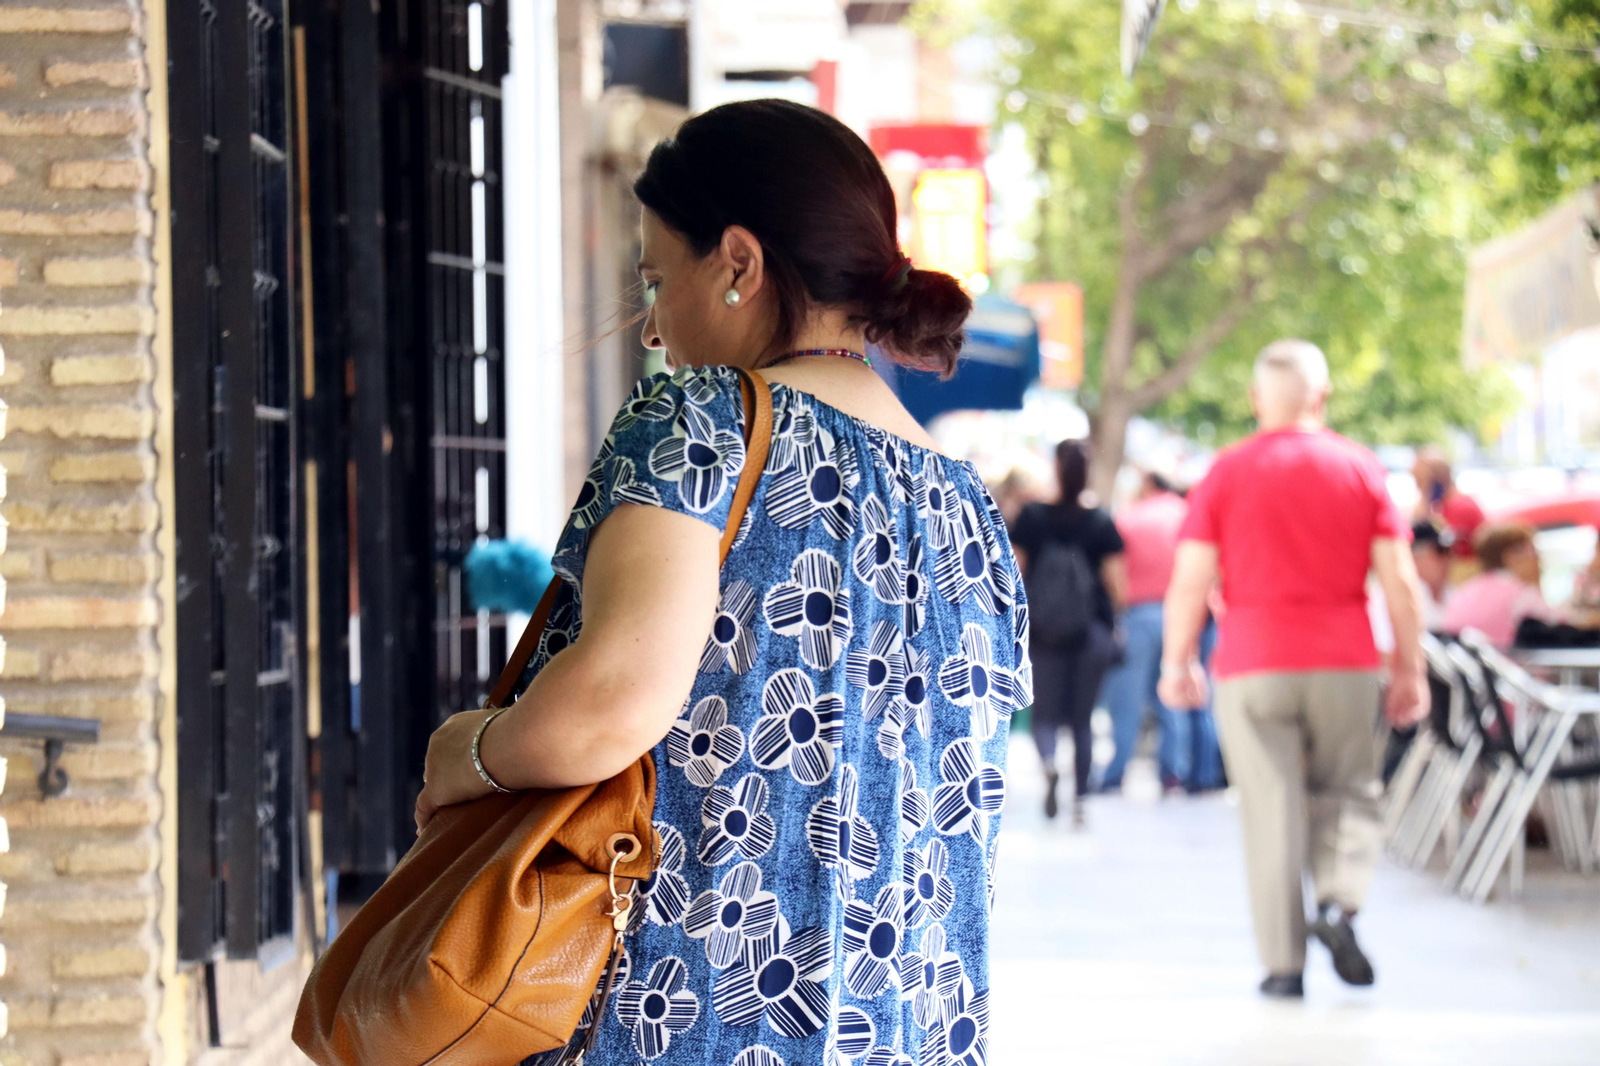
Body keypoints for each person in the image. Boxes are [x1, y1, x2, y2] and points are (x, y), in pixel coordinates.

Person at [412, 100, 1028, 1065]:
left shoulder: (705, 421)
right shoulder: (969, 508)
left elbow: (610, 700)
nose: (653, 325)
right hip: (906, 1030)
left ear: (738, 262)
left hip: (686, 1015)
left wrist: (469, 753)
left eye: (658, 279)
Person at [1159, 339, 1429, 1000]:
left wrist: (1178, 661)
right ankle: (1339, 905)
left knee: (1269, 809)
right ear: (1323, 396)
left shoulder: (1224, 472)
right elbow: (1399, 581)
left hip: (1252, 660)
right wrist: (1411, 670)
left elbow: (1191, 579)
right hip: (1344, 656)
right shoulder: (1361, 468)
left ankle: (1283, 967)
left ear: (1256, 400)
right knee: (1349, 790)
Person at [1011, 441, 1125, 825]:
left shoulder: (1031, 517)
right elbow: (1117, 585)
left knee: (1044, 714)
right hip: (1090, 630)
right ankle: (1079, 800)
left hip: (1043, 630)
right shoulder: (1101, 521)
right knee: (1081, 719)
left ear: (1056, 467)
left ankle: (1047, 763)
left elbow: (1014, 571)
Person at [1099, 469, 1204, 792]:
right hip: (1180, 614)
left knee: (1126, 701)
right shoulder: (1188, 515)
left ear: (1148, 483)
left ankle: (1116, 773)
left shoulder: (1130, 516)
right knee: (1172, 696)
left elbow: (1113, 568)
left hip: (1137, 614)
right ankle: (1173, 772)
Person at [1442, 522, 1561, 649]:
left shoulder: (1463, 591)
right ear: (1510, 557)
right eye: (1532, 551)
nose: (1538, 560)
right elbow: (1558, 628)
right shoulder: (1522, 595)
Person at [1413, 447, 1485, 564]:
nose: (1418, 488)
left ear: (1436, 480)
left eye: (1420, 482)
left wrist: (1427, 497)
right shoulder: (1441, 507)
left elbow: (1442, 547)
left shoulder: (1461, 507)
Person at [1410, 521, 1454, 630]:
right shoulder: (1394, 598)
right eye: (1441, 551)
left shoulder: (1455, 594)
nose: (1448, 558)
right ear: (1414, 557)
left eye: (1449, 551)